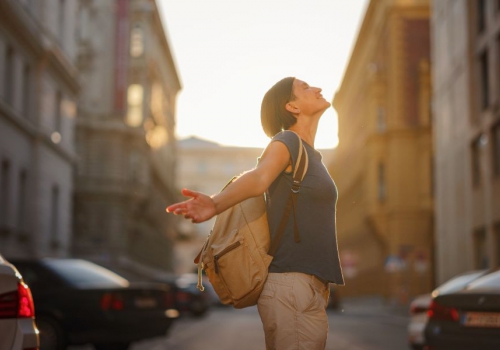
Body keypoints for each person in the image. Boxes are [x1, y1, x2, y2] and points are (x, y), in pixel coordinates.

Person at [166, 77, 344, 350]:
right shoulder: (287, 142)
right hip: (290, 282)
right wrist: (216, 203)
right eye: (305, 87)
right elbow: (259, 177)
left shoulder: (311, 155)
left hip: (310, 284)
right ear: (291, 106)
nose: (317, 88)